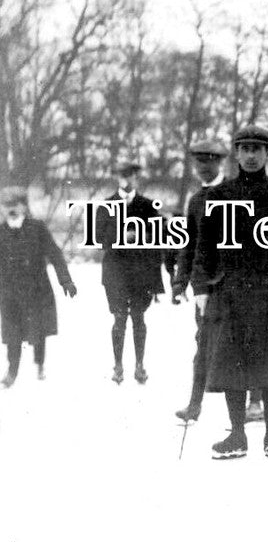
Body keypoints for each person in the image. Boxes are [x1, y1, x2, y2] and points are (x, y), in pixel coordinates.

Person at [194, 125, 268, 459]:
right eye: (245, 149)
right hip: (230, 292)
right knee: (231, 364)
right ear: (237, 153)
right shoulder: (219, 196)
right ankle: (237, 435)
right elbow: (204, 248)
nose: (251, 155)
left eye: (258, 149)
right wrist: (202, 287)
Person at [172, 139, 264, 423]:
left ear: (221, 162)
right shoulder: (196, 201)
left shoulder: (240, 193)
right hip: (208, 287)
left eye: (208, 162)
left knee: (250, 341)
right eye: (198, 163)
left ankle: (255, 403)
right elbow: (189, 245)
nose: (202, 168)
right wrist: (180, 282)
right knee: (203, 343)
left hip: (243, 283)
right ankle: (194, 404)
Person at [96, 162, 166, 385]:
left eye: (132, 176)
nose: (128, 180)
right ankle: (118, 365)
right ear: (118, 178)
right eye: (123, 175)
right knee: (119, 317)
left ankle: (139, 365)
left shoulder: (147, 206)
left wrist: (142, 236)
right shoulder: (106, 206)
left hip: (140, 272)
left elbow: (158, 238)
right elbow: (98, 239)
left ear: (137, 179)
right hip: (115, 271)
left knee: (138, 317)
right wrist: (120, 236)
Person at [0, 186, 76, 386]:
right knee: (12, 334)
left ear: (24, 207)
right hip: (9, 292)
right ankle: (12, 372)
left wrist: (65, 280)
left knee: (38, 329)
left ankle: (39, 363)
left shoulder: (37, 228)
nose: (10, 210)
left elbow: (55, 254)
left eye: (15, 205)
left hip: (37, 289)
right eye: (6, 206)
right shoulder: (0, 232)